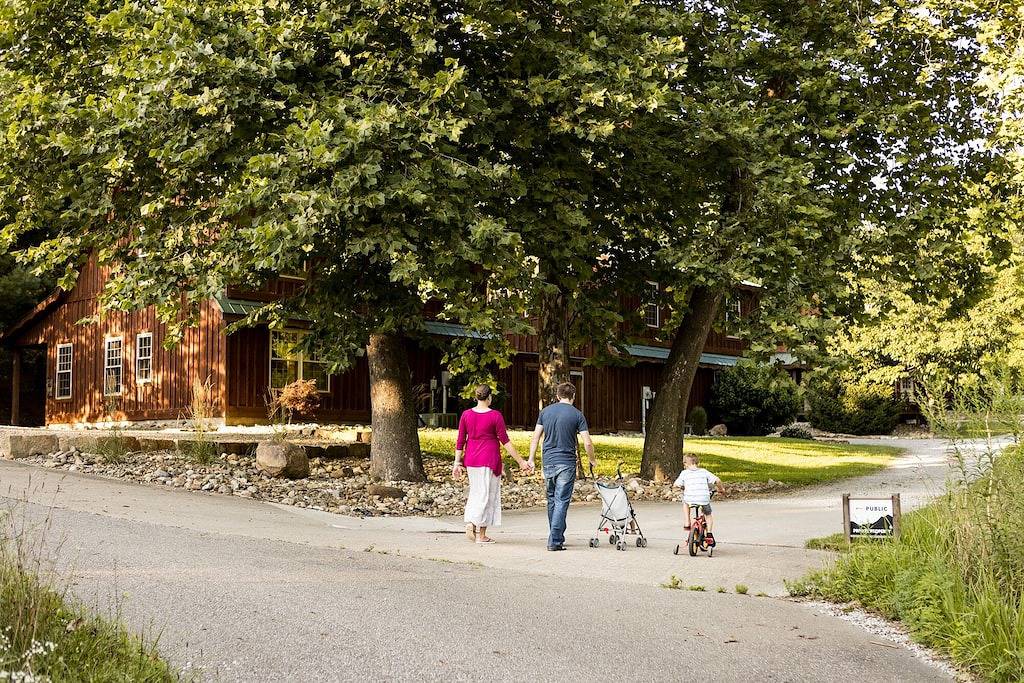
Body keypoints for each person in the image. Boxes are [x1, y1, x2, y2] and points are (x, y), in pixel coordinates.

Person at [452, 384, 531, 544]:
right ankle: (479, 531)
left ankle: (472, 523)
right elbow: (505, 441)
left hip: (471, 459)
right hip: (489, 459)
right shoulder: (495, 416)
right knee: (488, 495)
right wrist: (521, 461)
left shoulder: (466, 415)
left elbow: (460, 440)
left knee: (476, 492)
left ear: (476, 397)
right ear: (489, 398)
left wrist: (456, 463)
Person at [528, 382, 595, 551]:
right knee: (561, 501)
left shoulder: (545, 412)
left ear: (558, 396)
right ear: (573, 397)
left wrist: (531, 459)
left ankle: (556, 534)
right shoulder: (577, 415)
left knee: (552, 499)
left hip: (548, 461)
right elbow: (587, 442)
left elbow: (535, 437)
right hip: (566, 463)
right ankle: (555, 540)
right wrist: (592, 459)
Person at [672, 453, 725, 545]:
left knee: (685, 502)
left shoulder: (684, 473)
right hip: (703, 498)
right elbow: (717, 481)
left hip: (690, 498)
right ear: (697, 462)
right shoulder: (704, 472)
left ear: (685, 464)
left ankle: (687, 522)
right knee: (708, 514)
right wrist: (721, 489)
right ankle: (709, 533)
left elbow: (676, 485)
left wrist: (678, 488)